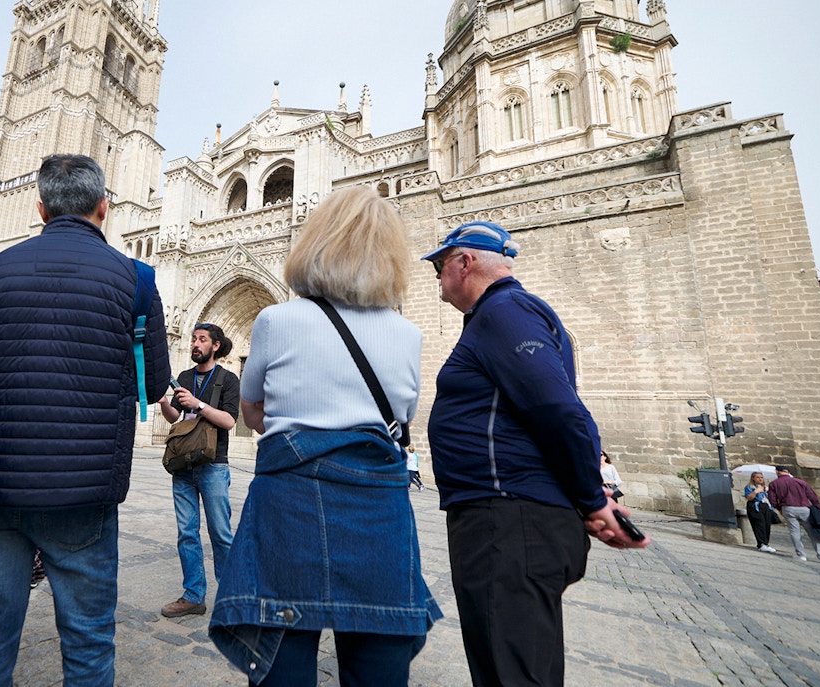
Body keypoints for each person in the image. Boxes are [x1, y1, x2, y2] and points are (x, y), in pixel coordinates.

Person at [0, 154, 170, 686]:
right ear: (104, 208)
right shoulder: (137, 280)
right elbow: (154, 385)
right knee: (89, 640)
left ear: (40, 208)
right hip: (85, 491)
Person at [209, 186, 443, 686]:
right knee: (378, 660)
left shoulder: (275, 320)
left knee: (282, 659)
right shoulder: (408, 334)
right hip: (378, 508)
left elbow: (253, 410)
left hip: (289, 504)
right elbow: (398, 420)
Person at [423, 221, 649, 687]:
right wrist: (588, 496)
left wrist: (590, 497)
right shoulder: (502, 315)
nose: (437, 278)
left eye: (441, 266)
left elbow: (558, 409)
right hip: (509, 520)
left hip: (507, 522)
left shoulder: (504, 312)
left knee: (512, 673)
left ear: (466, 262)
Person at [157, 323, 240, 618]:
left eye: (202, 339)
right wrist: (165, 402)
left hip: (213, 465)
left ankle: (233, 598)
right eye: (193, 339)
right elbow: (175, 418)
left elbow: (229, 421)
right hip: (183, 464)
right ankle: (194, 596)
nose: (195, 344)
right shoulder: (184, 377)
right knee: (187, 534)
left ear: (215, 345)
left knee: (220, 533)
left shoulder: (228, 379)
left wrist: (198, 403)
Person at [767, 465, 820, 564]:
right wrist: (817, 506)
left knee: (794, 532)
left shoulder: (774, 484)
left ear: (778, 472)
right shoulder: (800, 482)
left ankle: (801, 555)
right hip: (804, 507)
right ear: (788, 472)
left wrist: (779, 508)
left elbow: (772, 499)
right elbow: (812, 495)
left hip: (787, 508)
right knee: (812, 532)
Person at [744, 472, 776, 553]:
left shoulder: (765, 488)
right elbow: (749, 497)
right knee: (759, 524)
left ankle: (765, 543)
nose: (760, 479)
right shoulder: (749, 487)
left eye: (761, 477)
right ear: (753, 478)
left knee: (766, 525)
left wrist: (768, 491)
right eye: (758, 477)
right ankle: (761, 543)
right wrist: (755, 492)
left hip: (765, 506)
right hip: (755, 507)